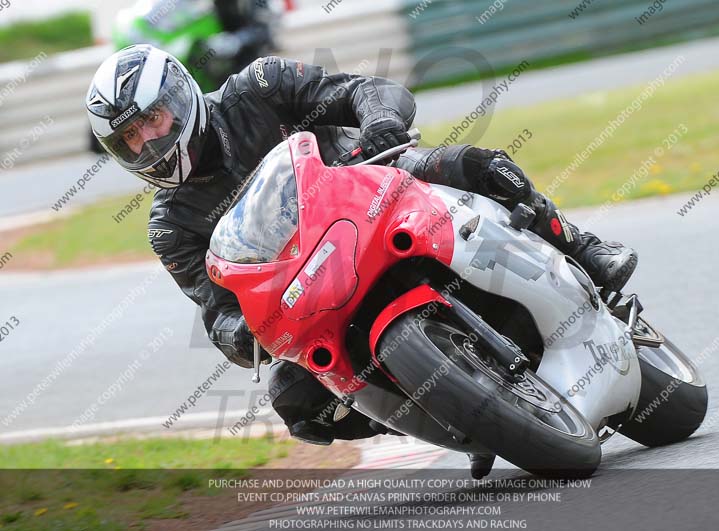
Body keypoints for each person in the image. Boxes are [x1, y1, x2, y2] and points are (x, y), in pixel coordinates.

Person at [86, 44, 637, 479]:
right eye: (130, 138)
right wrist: (242, 330)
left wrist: (380, 124)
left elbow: (366, 91)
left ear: (179, 97)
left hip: (375, 190)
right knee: (294, 398)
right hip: (312, 288)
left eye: (153, 119)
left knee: (476, 165)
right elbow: (217, 310)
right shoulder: (171, 225)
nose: (147, 142)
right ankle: (459, 415)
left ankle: (582, 247)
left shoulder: (258, 86)